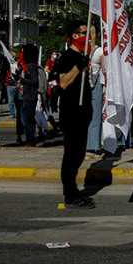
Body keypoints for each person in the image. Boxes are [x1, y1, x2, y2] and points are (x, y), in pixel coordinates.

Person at [55, 20, 96, 209]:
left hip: (83, 111)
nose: (88, 37)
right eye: (84, 33)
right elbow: (63, 83)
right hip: (71, 112)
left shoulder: (83, 55)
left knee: (79, 154)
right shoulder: (67, 57)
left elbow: (93, 37)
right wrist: (78, 66)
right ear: (74, 36)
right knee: (72, 155)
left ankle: (73, 190)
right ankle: (70, 194)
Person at [18, 44, 42, 147]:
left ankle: (30, 140)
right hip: (30, 95)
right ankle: (31, 140)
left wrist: (22, 80)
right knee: (29, 118)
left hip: (29, 95)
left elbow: (34, 81)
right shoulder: (32, 65)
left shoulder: (30, 66)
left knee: (26, 119)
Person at [86, 43, 104, 158]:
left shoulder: (79, 50)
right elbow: (106, 69)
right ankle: (91, 148)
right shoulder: (99, 51)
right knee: (95, 117)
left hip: (80, 84)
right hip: (94, 84)